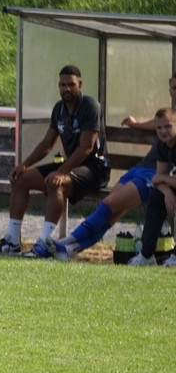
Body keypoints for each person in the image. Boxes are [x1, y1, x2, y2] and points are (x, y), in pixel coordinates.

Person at [26, 75, 176, 261]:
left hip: (150, 177)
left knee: (108, 205)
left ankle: (63, 243)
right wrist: (137, 124)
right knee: (111, 213)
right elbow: (160, 122)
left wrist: (164, 184)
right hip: (140, 169)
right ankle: (68, 251)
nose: (163, 131)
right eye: (174, 88)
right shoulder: (169, 115)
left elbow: (162, 167)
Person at [0, 64, 109, 255]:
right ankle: (12, 241)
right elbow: (47, 144)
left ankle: (44, 243)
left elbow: (86, 148)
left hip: (95, 168)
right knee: (20, 179)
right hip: (72, 166)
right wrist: (24, 165)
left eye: (71, 85)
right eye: (63, 85)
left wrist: (61, 171)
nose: (67, 89)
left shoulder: (90, 106)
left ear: (80, 84)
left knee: (56, 183)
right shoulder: (59, 109)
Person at [123, 108, 176, 266]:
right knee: (156, 196)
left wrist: (163, 179)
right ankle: (146, 255)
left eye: (168, 126)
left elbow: (160, 177)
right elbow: (157, 178)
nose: (163, 131)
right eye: (159, 128)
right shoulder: (162, 145)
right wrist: (167, 192)